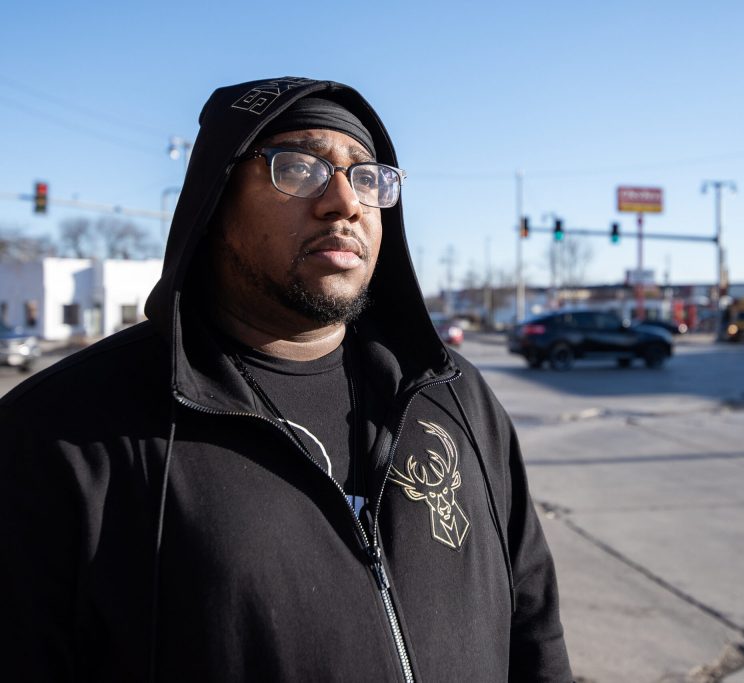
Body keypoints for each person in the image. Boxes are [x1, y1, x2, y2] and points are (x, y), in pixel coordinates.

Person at [0, 77, 572, 682]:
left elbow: (534, 629)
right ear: (214, 201)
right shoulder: (61, 434)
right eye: (300, 168)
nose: (344, 202)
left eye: (367, 176)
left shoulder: (454, 398)